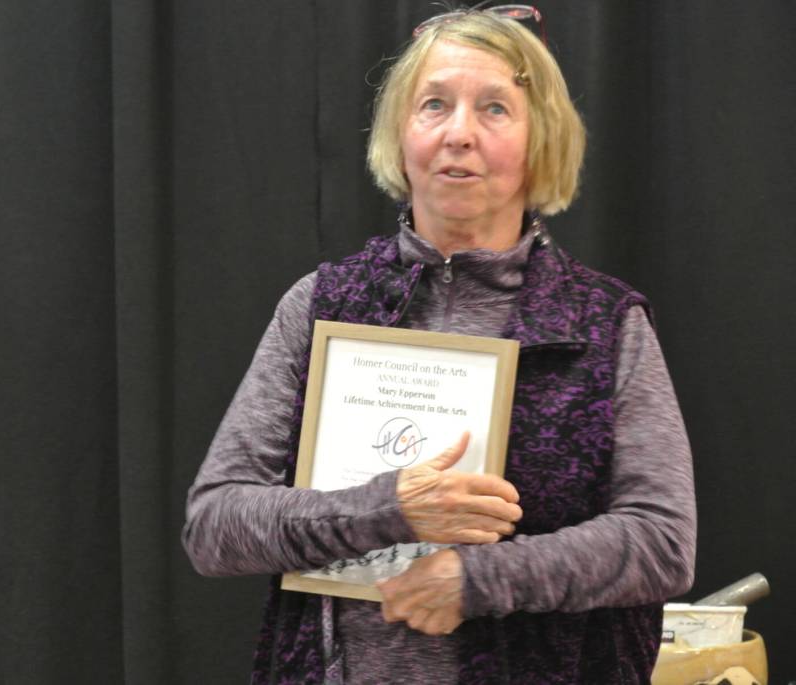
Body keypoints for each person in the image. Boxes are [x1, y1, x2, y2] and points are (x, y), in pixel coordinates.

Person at [183, 7, 696, 683]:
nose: (460, 133)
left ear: (541, 139)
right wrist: (387, 507)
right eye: (434, 105)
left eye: (494, 109)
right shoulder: (321, 305)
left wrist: (478, 577)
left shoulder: (603, 322)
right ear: (400, 137)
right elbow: (215, 524)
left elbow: (661, 541)